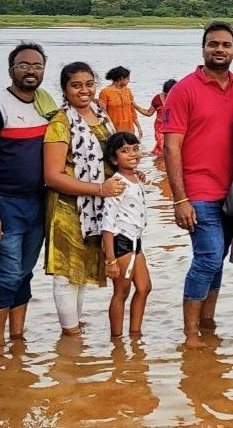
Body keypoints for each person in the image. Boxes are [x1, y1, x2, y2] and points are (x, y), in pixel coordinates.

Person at [161, 21, 233, 349]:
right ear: (203, 49)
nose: (220, 50)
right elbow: (171, 147)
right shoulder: (184, 89)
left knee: (218, 259)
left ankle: (207, 322)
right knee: (208, 257)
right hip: (197, 191)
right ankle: (190, 334)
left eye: (226, 45)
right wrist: (178, 199)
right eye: (213, 44)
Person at [0, 42, 54, 349]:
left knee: (24, 272)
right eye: (24, 65)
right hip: (3, 204)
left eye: (37, 66)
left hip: (38, 202)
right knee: (6, 272)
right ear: (11, 70)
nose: (31, 71)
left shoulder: (46, 106)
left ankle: (18, 338)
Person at [43, 62, 127, 335]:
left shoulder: (100, 114)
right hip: (69, 208)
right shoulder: (60, 122)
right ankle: (70, 336)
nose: (84, 90)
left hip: (97, 209)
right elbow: (52, 176)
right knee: (66, 274)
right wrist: (99, 190)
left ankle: (74, 328)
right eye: (76, 85)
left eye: (89, 84)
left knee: (80, 274)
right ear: (65, 90)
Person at [101, 132, 152, 338]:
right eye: (124, 151)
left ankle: (135, 334)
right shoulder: (117, 184)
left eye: (135, 149)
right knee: (121, 292)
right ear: (114, 159)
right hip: (121, 242)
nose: (132, 154)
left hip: (134, 241)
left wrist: (140, 176)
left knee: (144, 287)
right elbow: (107, 224)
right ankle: (117, 339)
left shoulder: (133, 178)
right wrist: (110, 260)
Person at [98, 66, 143, 137]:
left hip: (129, 130)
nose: (129, 81)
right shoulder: (105, 92)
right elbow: (103, 113)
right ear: (121, 78)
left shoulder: (127, 91)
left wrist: (139, 127)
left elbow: (132, 110)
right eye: (127, 78)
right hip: (114, 131)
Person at [138, 79, 177, 156]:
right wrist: (136, 106)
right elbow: (149, 113)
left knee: (172, 147)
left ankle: (158, 164)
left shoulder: (180, 97)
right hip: (160, 128)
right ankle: (163, 164)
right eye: (165, 94)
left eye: (169, 94)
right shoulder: (157, 99)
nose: (167, 96)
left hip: (174, 127)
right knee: (162, 146)